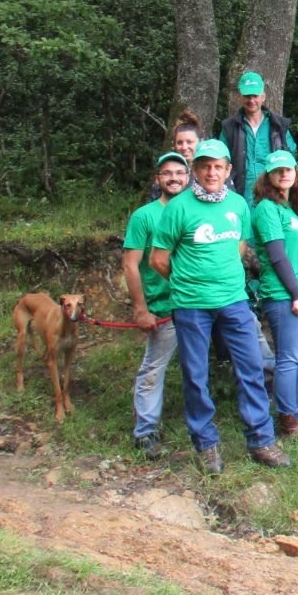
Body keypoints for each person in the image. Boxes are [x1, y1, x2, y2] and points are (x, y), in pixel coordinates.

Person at [149, 139, 290, 473]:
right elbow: (158, 260)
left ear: (229, 170)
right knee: (196, 376)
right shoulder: (178, 208)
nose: (211, 172)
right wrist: (189, 282)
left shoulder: (239, 205)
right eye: (205, 166)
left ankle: (261, 440)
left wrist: (222, 279)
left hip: (234, 303)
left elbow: (239, 248)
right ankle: (207, 445)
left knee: (252, 369)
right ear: (195, 170)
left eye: (218, 166)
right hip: (191, 306)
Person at [122, 152, 189, 460]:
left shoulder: (195, 210)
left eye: (179, 172)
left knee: (197, 366)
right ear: (157, 179)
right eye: (167, 173)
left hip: (196, 302)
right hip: (162, 307)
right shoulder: (144, 216)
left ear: (188, 177)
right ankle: (146, 431)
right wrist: (141, 308)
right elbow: (131, 265)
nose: (174, 178)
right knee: (154, 368)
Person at [252, 151, 298, 442]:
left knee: (296, 356)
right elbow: (277, 256)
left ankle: (295, 412)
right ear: (267, 176)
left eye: (289, 169)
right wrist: (295, 294)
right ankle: (289, 423)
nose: (284, 174)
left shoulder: (292, 211)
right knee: (288, 358)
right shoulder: (267, 209)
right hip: (284, 295)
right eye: (277, 170)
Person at [219, 71, 297, 206]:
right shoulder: (229, 127)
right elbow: (221, 160)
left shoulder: (279, 126)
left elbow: (291, 159)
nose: (251, 100)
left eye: (255, 95)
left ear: (263, 96)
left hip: (274, 194)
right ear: (240, 97)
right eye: (247, 96)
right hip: (239, 195)